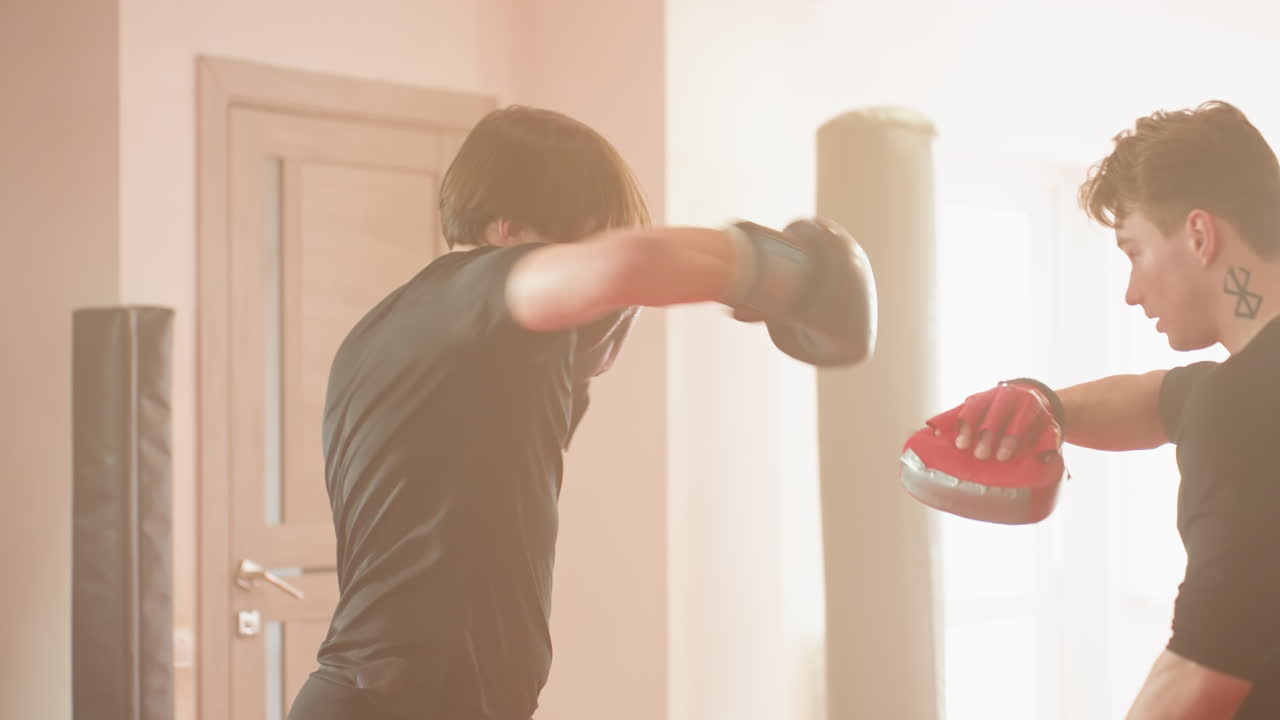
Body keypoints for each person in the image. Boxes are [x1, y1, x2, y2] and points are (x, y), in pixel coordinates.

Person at [285, 105, 876, 720]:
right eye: (585, 243)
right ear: (509, 231)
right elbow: (625, 265)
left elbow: (599, 330)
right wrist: (796, 276)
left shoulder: (416, 335)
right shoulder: (480, 288)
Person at [919, 100, 1280, 718]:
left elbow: (1202, 675)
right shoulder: (1245, 389)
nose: (1131, 293)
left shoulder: (1240, 404)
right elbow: (1165, 399)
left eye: (1134, 251)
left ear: (1199, 236)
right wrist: (1045, 403)